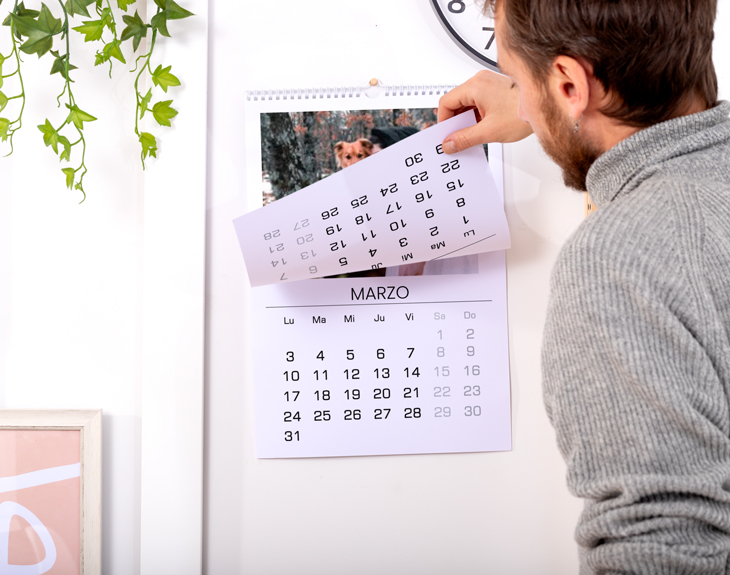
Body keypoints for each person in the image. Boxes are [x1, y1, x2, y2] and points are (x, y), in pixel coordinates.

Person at [438, 0, 730, 572]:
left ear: (571, 84)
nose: (521, 103)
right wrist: (550, 103)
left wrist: (556, 108)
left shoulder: (617, 257)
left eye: (519, 82)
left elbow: (659, 549)